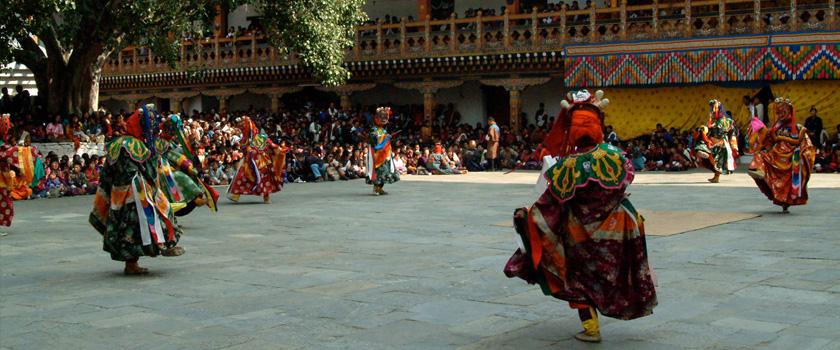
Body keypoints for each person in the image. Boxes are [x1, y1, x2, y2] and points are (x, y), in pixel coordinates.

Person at [504, 89, 656, 343]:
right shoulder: (614, 155)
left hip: (580, 234)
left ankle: (591, 327)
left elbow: (550, 203)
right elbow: (623, 184)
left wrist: (526, 217)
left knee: (577, 277)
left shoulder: (568, 166)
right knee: (612, 273)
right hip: (619, 228)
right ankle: (623, 304)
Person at [89, 105, 184, 275]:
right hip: (136, 192)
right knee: (142, 223)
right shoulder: (135, 145)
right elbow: (147, 168)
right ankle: (162, 245)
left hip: (119, 193)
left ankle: (133, 262)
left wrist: (107, 189)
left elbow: (107, 172)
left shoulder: (117, 143)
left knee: (125, 227)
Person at [748, 97, 816, 213]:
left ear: (789, 111)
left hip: (790, 158)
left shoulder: (799, 128)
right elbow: (768, 141)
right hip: (776, 155)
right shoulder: (776, 127)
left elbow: (804, 144)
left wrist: (802, 155)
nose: (779, 115)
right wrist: (760, 129)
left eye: (782, 112)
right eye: (778, 112)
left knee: (788, 182)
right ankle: (760, 172)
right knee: (760, 156)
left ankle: (786, 202)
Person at [155, 114, 219, 216]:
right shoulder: (161, 142)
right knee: (181, 177)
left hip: (168, 165)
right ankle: (192, 197)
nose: (173, 133)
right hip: (160, 167)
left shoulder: (169, 142)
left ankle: (194, 197)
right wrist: (187, 165)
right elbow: (172, 155)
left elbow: (176, 153)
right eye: (171, 130)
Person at [227, 116, 286, 204]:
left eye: (244, 127)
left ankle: (266, 197)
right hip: (248, 161)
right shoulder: (244, 139)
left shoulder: (261, 137)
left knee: (264, 179)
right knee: (241, 177)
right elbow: (244, 151)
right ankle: (236, 195)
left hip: (262, 161)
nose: (243, 129)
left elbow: (272, 145)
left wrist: (281, 150)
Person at [693, 100, 738, 183]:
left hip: (718, 142)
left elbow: (732, 132)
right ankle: (716, 177)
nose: (712, 110)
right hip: (719, 142)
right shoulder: (725, 120)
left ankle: (716, 176)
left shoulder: (721, 121)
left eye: (713, 108)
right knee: (716, 161)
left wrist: (733, 145)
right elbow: (733, 132)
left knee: (716, 160)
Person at [365, 107, 400, 195]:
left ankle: (380, 188)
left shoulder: (383, 130)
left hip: (386, 156)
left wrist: (389, 139)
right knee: (379, 174)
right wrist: (385, 140)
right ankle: (376, 188)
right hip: (377, 157)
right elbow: (376, 147)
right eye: (381, 117)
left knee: (386, 173)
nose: (384, 119)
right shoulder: (373, 131)